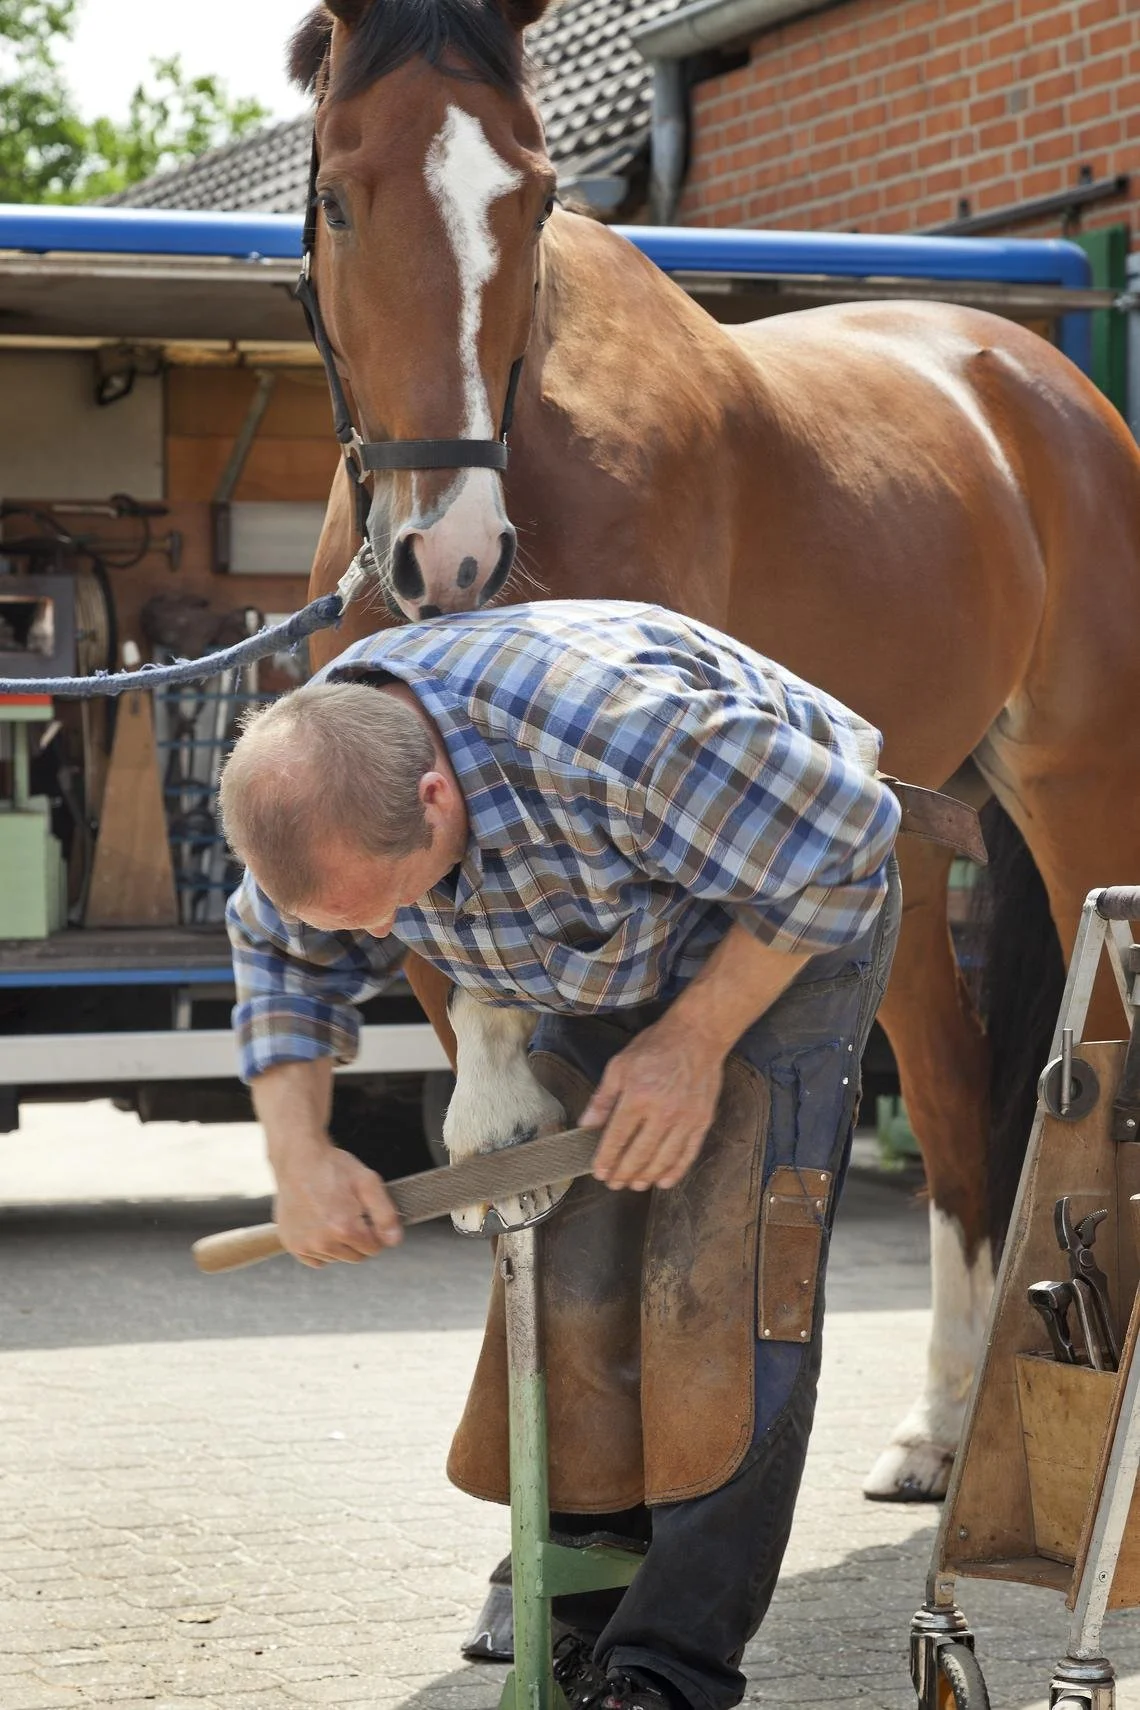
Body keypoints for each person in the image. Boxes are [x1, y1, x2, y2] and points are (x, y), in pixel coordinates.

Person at [220, 599, 902, 1710]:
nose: (385, 933)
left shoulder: (614, 734)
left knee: (727, 1279)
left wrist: (693, 1041)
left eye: (395, 901)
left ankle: (669, 1664)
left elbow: (847, 841)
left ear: (436, 798)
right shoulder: (331, 770)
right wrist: (299, 1152)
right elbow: (281, 953)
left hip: (782, 910)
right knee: (566, 1267)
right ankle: (581, 1602)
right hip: (592, 934)